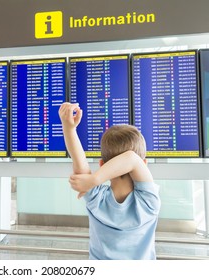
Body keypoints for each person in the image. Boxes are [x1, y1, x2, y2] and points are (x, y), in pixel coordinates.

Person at [58, 102, 161, 260]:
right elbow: (133, 159)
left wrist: (69, 128)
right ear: (144, 164)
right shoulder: (149, 201)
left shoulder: (96, 199)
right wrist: (93, 179)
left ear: (102, 165)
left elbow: (79, 161)